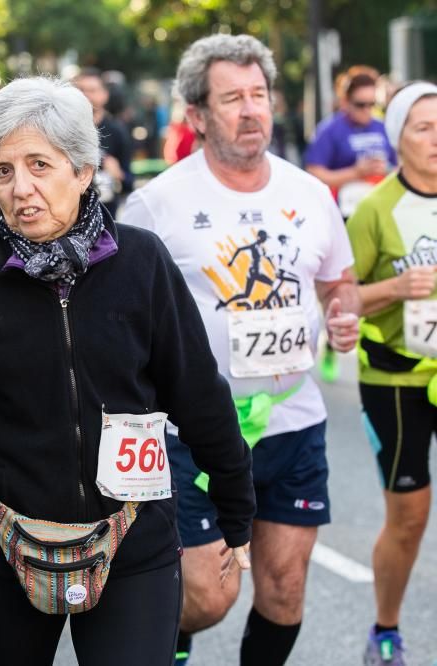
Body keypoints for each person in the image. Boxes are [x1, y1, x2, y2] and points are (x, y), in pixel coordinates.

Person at [0, 75, 255, 666]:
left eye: (40, 165)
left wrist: (236, 504)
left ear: (82, 170)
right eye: (3, 171)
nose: (22, 188)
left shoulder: (142, 262)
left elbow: (197, 391)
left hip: (131, 536)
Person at [120, 35, 361, 666]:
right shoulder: (157, 204)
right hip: (191, 429)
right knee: (207, 595)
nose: (252, 109)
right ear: (198, 115)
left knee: (284, 590)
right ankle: (168, 641)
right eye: (233, 98)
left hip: (292, 422)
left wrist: (344, 316)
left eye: (259, 95)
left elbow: (340, 281)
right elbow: (117, 307)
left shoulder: (310, 193)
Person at [345, 82, 437, 666]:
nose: (436, 140)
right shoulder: (376, 208)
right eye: (423, 128)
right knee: (408, 518)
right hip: (396, 381)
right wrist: (397, 288)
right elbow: (342, 299)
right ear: (398, 138)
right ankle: (386, 630)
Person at [305, 71, 397, 218]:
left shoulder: (382, 127)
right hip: (343, 211)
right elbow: (313, 172)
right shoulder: (330, 130)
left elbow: (400, 168)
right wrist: (355, 172)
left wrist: (386, 169)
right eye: (361, 105)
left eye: (372, 104)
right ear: (345, 102)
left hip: (382, 207)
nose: (367, 110)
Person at [73, 67, 134, 220]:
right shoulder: (63, 130)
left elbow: (129, 182)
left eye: (92, 90)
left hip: (106, 219)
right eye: (80, 89)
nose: (85, 95)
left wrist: (118, 174)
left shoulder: (117, 131)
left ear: (104, 95)